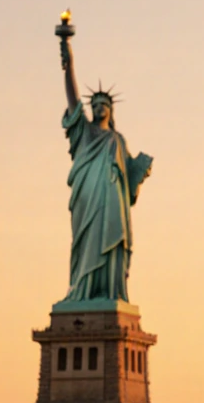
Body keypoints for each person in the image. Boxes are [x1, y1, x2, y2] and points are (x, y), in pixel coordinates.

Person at [57, 31, 152, 304]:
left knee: (112, 245)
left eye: (104, 105)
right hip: (88, 199)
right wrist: (68, 60)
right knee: (85, 244)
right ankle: (82, 291)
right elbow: (73, 99)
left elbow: (129, 185)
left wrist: (139, 172)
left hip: (113, 203)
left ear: (111, 110)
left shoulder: (118, 140)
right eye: (95, 105)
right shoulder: (84, 132)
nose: (99, 108)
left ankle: (110, 293)